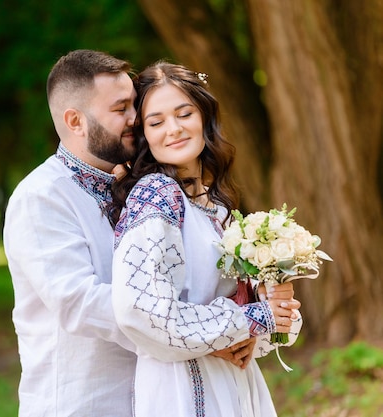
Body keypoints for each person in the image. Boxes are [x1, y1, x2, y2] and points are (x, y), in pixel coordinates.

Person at [109, 61, 303, 417]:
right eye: (156, 122)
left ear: (204, 118)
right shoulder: (155, 195)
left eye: (185, 113)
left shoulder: (217, 206)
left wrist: (259, 326)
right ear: (144, 136)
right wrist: (249, 321)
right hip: (181, 387)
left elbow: (260, 315)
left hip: (237, 384)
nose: (174, 129)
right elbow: (141, 311)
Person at [3, 49, 139, 416]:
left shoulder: (138, 189)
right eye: (120, 108)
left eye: (134, 105)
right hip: (80, 403)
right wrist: (187, 333)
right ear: (75, 121)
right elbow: (80, 303)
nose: (136, 118)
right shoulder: (41, 197)